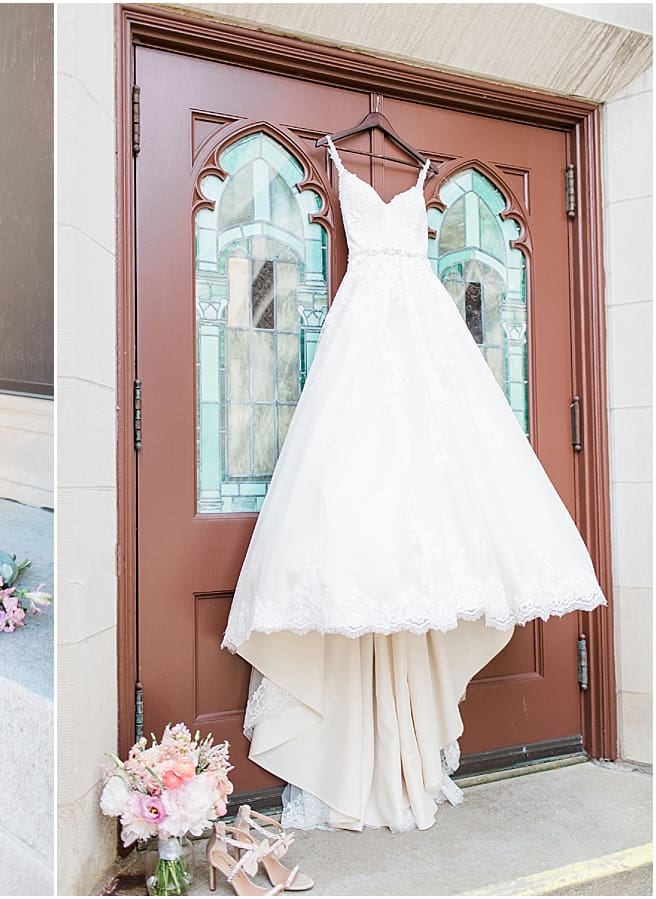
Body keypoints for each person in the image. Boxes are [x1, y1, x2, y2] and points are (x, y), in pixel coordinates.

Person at [221, 136, 604, 839]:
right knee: (357, 489)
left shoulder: (425, 184)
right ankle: (363, 746)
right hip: (361, 334)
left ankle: (402, 736)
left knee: (435, 484)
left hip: (422, 340)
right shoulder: (341, 174)